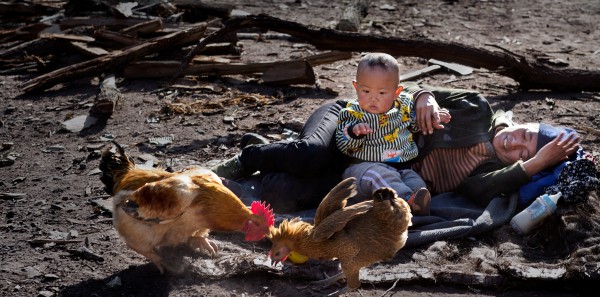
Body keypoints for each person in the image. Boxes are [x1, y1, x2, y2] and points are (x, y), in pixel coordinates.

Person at [211, 75, 580, 214]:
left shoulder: (488, 174)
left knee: (290, 194)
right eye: (525, 134)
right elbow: (422, 90)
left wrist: (534, 165)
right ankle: (251, 155)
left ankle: (268, 154)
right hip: (351, 122)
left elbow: (482, 189)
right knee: (308, 155)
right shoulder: (476, 108)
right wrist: (424, 98)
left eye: (525, 152)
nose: (515, 144)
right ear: (523, 123)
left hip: (360, 167)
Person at [335, 53, 451, 216]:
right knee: (379, 175)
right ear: (356, 87)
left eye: (382, 93)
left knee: (416, 182)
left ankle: (415, 204)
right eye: (366, 91)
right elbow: (341, 142)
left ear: (396, 92)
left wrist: (435, 117)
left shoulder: (403, 108)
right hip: (362, 172)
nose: (373, 98)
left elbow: (416, 125)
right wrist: (354, 132)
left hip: (400, 169)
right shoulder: (353, 113)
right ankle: (404, 202)